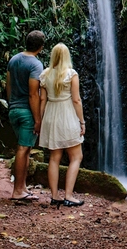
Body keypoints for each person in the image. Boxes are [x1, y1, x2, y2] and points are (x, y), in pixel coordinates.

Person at [39, 43, 85, 207]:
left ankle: (54, 196)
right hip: (66, 115)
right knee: (76, 156)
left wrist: (40, 121)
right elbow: (76, 100)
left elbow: (42, 100)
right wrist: (82, 121)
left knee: (54, 157)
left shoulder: (45, 74)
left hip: (51, 115)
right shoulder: (71, 74)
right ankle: (69, 195)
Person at [6, 30, 45, 201]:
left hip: (13, 109)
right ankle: (17, 191)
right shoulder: (35, 65)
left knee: (26, 148)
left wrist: (11, 104)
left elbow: (8, 85)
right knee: (23, 149)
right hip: (27, 112)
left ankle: (22, 188)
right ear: (41, 47)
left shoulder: (13, 59)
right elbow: (33, 94)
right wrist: (37, 119)